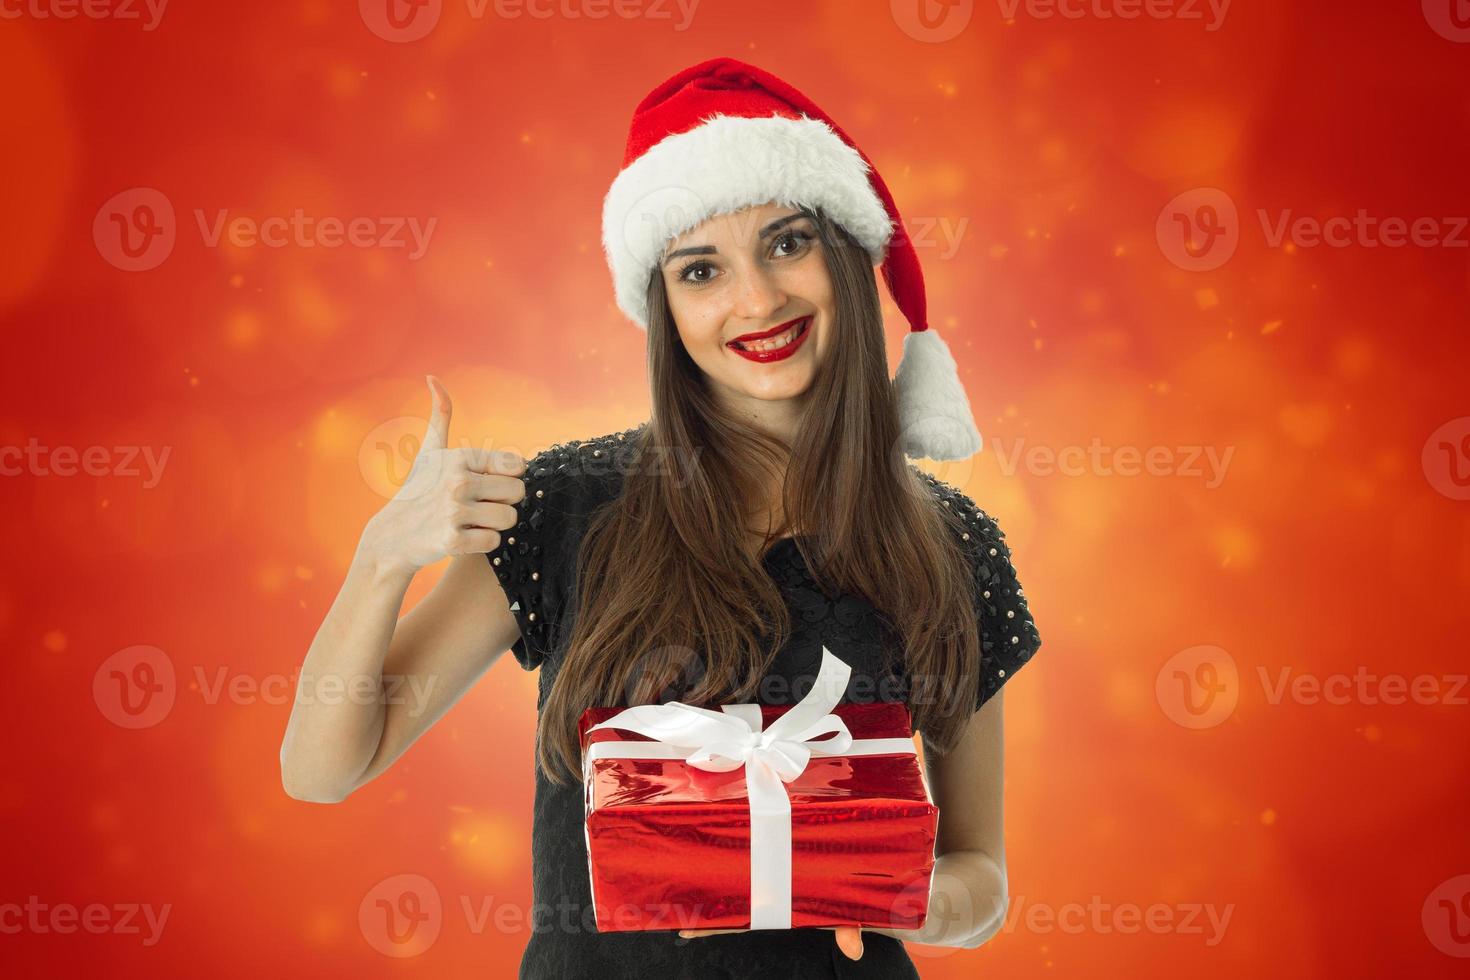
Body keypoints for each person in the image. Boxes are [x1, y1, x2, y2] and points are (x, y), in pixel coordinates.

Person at [280, 57, 1043, 979]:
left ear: (843, 253)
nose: (756, 300)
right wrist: (382, 560)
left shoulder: (952, 545)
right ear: (665, 308)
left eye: (789, 243)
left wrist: (883, 890)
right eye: (700, 269)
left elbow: (983, 878)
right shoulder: (563, 509)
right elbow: (323, 770)